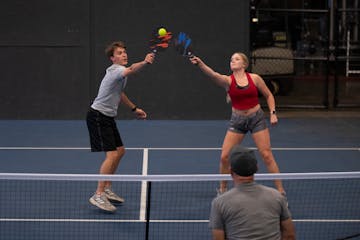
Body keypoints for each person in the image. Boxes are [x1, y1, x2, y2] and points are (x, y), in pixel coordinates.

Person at [189, 52, 285, 195]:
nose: (232, 61)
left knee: (266, 155)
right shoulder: (228, 81)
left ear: (244, 64)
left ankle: (281, 191)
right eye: (231, 59)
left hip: (256, 118)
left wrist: (272, 113)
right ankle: (222, 189)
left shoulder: (255, 78)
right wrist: (201, 64)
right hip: (238, 121)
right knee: (224, 157)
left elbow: (269, 95)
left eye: (236, 59)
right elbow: (213, 75)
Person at [86, 41, 155, 212]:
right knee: (111, 155)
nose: (124, 55)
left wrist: (134, 108)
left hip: (107, 117)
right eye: (119, 53)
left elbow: (120, 93)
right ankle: (99, 193)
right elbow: (131, 69)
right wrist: (145, 62)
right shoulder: (116, 71)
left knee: (120, 151)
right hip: (97, 117)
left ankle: (107, 187)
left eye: (124, 52)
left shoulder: (119, 76)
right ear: (112, 58)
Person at [209, 145, 296, 240]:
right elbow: (289, 235)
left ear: (230, 171)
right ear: (256, 168)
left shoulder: (219, 203)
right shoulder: (277, 197)